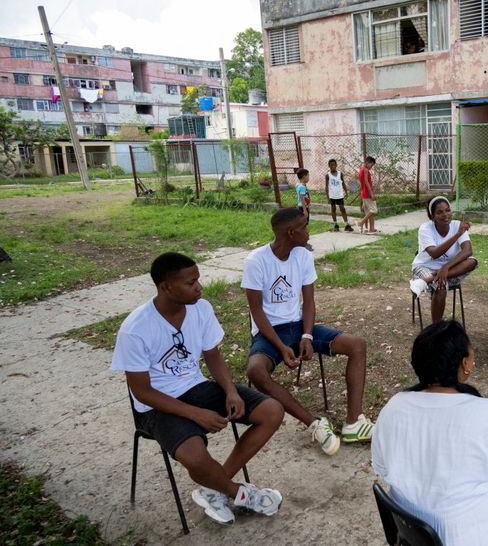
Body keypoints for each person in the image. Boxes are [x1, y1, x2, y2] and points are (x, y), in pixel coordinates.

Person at [111, 252, 285, 526]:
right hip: (156, 406)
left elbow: (212, 355)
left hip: (196, 387)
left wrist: (230, 390)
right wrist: (196, 414)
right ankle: (239, 494)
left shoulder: (200, 308)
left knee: (272, 411)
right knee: (195, 457)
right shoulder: (135, 329)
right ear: (166, 287)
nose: (199, 287)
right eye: (190, 283)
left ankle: (213, 487)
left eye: (198, 280)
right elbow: (142, 392)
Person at [372, 321, 488, 546]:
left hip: (412, 531)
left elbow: (383, 469)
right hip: (467, 536)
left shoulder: (394, 406)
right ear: (465, 364)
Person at [243, 208, 374, 457]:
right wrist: (281, 347)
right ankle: (314, 423)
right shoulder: (256, 261)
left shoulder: (303, 255)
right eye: (304, 226)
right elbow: (257, 313)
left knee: (357, 345)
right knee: (255, 371)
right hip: (269, 333)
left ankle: (354, 422)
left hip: (300, 326)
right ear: (291, 233)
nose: (308, 230)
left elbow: (309, 302)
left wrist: (307, 336)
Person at [409, 196, 479, 323]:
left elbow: (468, 251)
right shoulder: (425, 228)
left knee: (473, 261)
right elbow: (434, 253)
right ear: (432, 217)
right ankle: (437, 329)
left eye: (447, 210)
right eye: (439, 212)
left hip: (448, 269)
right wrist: (458, 234)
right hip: (425, 266)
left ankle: (426, 281)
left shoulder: (458, 224)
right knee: (441, 284)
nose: (445, 215)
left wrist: (445, 267)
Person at [325, 159, 353, 232]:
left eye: (334, 164)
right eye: (331, 165)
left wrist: (346, 192)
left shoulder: (340, 174)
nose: (332, 166)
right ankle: (336, 224)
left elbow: (343, 183)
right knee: (333, 209)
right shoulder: (328, 175)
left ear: (336, 165)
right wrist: (327, 197)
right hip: (332, 195)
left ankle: (347, 224)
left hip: (339, 195)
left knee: (342, 208)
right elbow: (326, 187)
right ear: (329, 166)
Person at [357, 155, 378, 234]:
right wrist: (371, 193)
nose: (371, 167)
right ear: (368, 162)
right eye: (371, 165)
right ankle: (361, 222)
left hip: (364, 193)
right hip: (367, 193)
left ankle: (371, 228)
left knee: (368, 211)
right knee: (373, 210)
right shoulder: (365, 170)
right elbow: (366, 182)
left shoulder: (361, 169)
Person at [295, 168, 314, 251]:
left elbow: (304, 196)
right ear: (303, 176)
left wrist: (309, 201)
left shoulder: (299, 185)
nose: (309, 177)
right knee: (304, 226)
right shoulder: (302, 187)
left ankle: (302, 242)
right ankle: (303, 243)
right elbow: (302, 198)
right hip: (303, 208)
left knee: (302, 225)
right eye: (308, 175)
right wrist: (305, 210)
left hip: (302, 207)